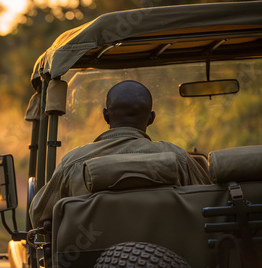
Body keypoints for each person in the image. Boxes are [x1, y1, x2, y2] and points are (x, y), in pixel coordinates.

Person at [30, 80, 212, 228]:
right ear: (151, 118)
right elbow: (211, 204)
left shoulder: (73, 162)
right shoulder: (176, 157)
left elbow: (38, 215)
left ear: (105, 116)